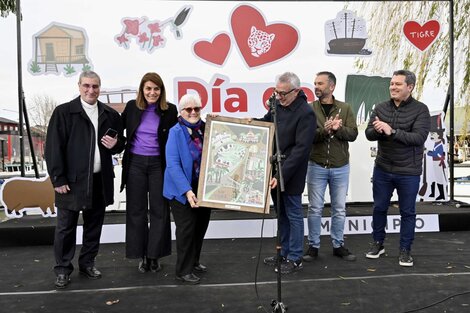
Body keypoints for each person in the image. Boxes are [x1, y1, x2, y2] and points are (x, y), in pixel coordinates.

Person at [45, 71, 125, 289]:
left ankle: (87, 263)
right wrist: (58, 178)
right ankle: (62, 269)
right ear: (79, 86)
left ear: (100, 87)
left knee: (94, 226)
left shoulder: (110, 114)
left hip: (99, 180)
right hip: (71, 182)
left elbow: (120, 142)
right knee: (65, 227)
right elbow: (53, 148)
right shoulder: (64, 112)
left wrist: (116, 145)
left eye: (95, 86)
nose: (91, 90)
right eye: (87, 86)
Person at [365, 70, 430, 267]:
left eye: (398, 84)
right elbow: (368, 134)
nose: (393, 87)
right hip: (383, 168)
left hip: (408, 171)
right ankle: (378, 244)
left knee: (408, 212)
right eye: (392, 84)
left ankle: (405, 251)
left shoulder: (421, 110)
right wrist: (377, 130)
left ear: (409, 87)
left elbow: (418, 138)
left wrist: (391, 131)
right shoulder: (381, 107)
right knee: (379, 208)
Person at [120, 72, 178, 273]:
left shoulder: (170, 110)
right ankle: (142, 256)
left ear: (161, 91)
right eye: (148, 88)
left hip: (158, 165)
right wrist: (113, 143)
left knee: (159, 211)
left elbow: (177, 136)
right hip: (135, 163)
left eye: (156, 88)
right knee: (136, 211)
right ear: (142, 90)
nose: (152, 92)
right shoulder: (131, 107)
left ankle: (154, 256)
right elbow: (119, 134)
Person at [261, 72, 317, 274]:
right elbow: (265, 124)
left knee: (293, 214)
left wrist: (281, 175)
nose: (279, 97)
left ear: (296, 91)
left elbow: (301, 151)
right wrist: (248, 123)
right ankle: (282, 252)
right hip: (276, 169)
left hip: (291, 172)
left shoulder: (306, 113)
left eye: (283, 93)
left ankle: (295, 257)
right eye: (276, 92)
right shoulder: (276, 106)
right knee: (282, 214)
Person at [303, 71, 358, 262]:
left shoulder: (345, 108)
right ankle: (313, 246)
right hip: (316, 165)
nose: (316, 87)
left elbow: (353, 134)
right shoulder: (309, 109)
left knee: (339, 208)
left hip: (340, 166)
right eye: (315, 83)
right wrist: (325, 130)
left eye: (320, 83)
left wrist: (338, 129)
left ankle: (338, 245)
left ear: (331, 86)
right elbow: (307, 137)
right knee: (315, 208)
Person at [163, 93, 211, 284]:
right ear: (180, 112)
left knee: (200, 227)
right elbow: (173, 165)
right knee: (186, 230)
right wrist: (187, 191)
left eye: (196, 108)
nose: (193, 112)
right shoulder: (175, 132)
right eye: (188, 109)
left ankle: (194, 261)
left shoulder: (207, 129)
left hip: (204, 187)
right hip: (181, 190)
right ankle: (183, 270)